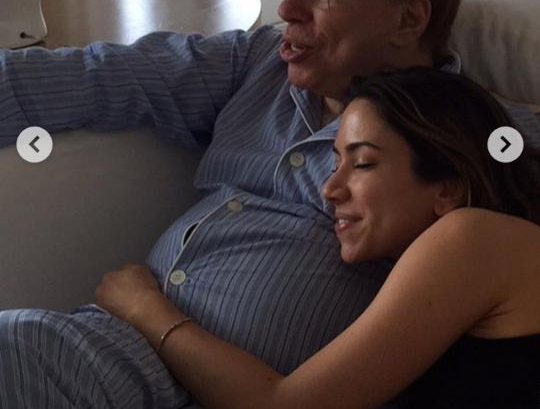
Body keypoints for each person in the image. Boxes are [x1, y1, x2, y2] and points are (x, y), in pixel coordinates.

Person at [0, 0, 537, 408]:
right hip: (96, 352)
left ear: (409, 18)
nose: (287, 7)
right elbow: (95, 77)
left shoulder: (479, 142)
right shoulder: (259, 64)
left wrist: (149, 312)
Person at [94, 67, 540, 409]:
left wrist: (147, 311)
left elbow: (284, 405)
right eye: (335, 161)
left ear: (447, 188)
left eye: (362, 164)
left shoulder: (473, 237)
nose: (330, 189)